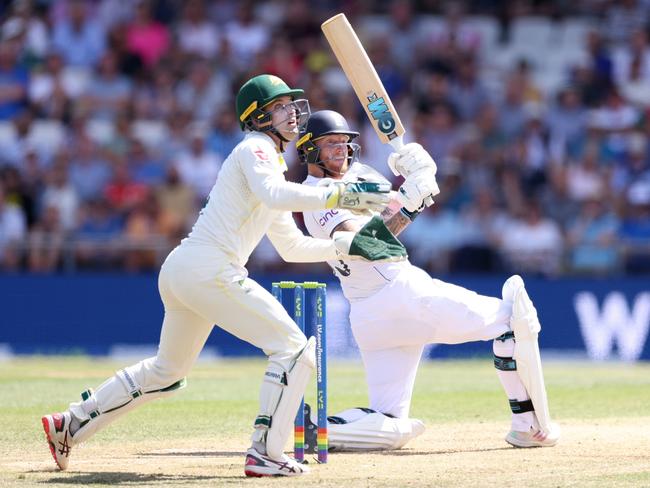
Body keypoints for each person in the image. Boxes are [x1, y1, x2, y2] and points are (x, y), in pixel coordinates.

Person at [41, 75, 404, 478]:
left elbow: (290, 246)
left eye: (291, 105)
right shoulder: (256, 149)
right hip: (209, 268)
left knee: (167, 372)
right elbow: (277, 196)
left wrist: (344, 247)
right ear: (259, 117)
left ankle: (69, 424)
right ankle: (266, 453)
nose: (292, 113)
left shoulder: (272, 167)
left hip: (187, 269)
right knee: (294, 350)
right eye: (281, 107)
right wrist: (343, 196)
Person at [298, 110, 561, 451]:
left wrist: (419, 173)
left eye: (345, 142)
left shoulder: (358, 174)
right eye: (331, 144)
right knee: (513, 320)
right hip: (402, 294)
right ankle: (527, 425)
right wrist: (409, 199)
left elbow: (395, 211)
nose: (341, 150)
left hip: (372, 318)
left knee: (391, 422)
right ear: (309, 151)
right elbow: (364, 246)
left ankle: (316, 429)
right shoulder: (315, 196)